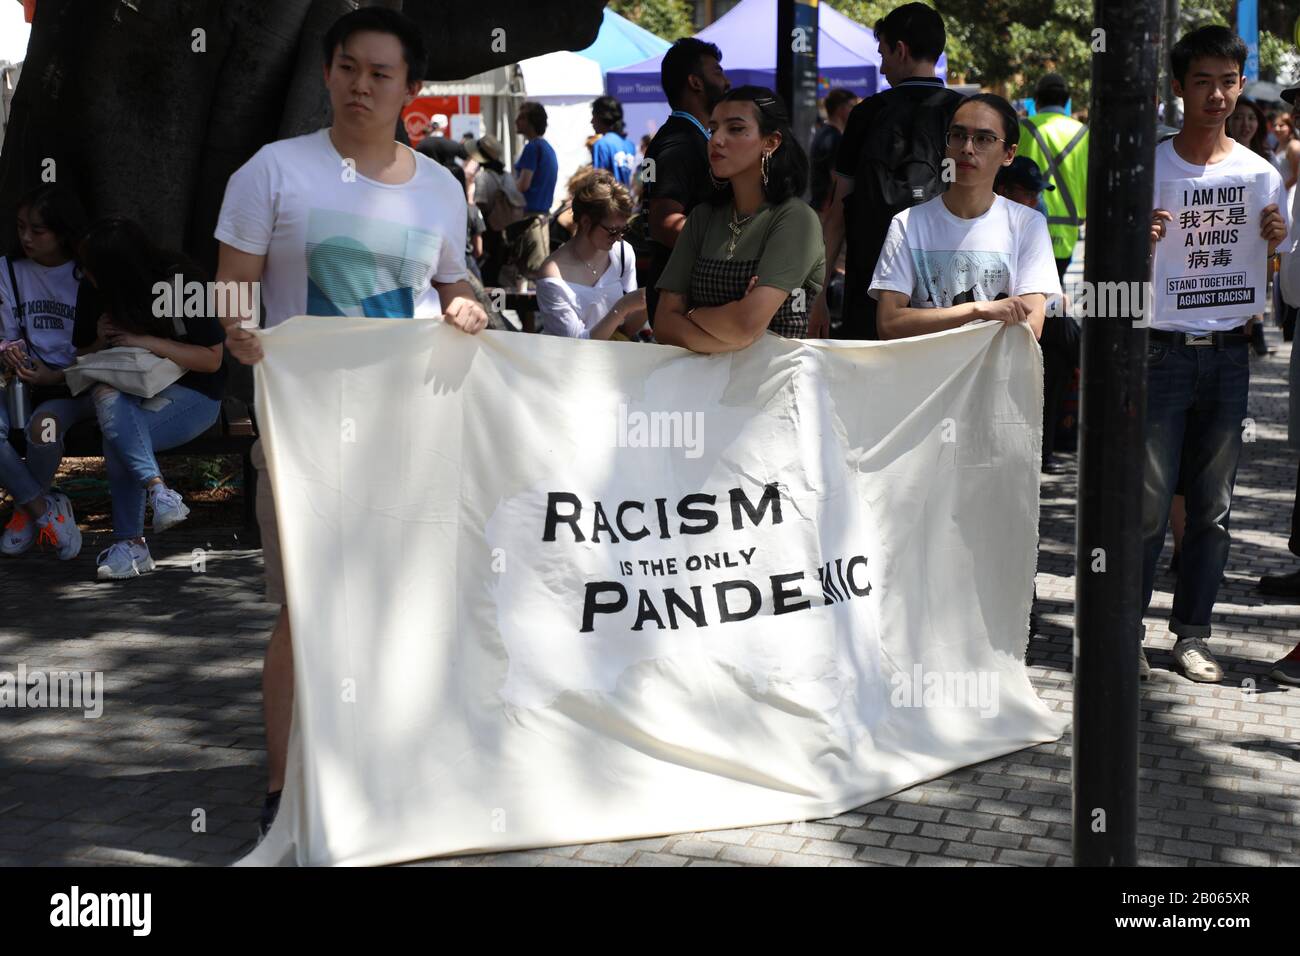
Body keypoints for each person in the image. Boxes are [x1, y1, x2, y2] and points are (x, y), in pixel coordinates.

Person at [212, 7, 489, 839]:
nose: (360, 85)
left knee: (403, 606)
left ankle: (388, 777)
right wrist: (238, 330)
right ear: (328, 73)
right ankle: (282, 793)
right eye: (346, 68)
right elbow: (233, 285)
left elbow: (454, 282)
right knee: (307, 612)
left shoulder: (440, 188)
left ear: (411, 87)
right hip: (301, 436)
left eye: (379, 73)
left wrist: (468, 305)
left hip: (409, 436)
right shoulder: (271, 171)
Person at [1143, 26, 1289, 682]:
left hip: (1230, 355)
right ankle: (1123, 631)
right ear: (1179, 87)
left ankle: (1191, 634)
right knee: (1145, 506)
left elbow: (1277, 278)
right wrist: (1134, 240)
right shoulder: (1149, 166)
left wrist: (1279, 242)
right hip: (1161, 351)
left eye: (1228, 81)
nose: (1217, 94)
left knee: (1214, 508)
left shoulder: (1260, 177)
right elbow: (1112, 275)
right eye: (1202, 80)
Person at [73, 218, 227, 580]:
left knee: (118, 437)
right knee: (111, 407)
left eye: (92, 270)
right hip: (129, 390)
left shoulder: (183, 282)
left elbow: (212, 359)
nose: (84, 276)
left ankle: (133, 545)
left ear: (118, 272)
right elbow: (81, 351)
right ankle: (159, 496)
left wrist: (147, 341)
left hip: (195, 393)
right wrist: (99, 338)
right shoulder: (95, 286)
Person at [811, 2, 965, 340]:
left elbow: (837, 210)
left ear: (901, 50)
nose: (881, 69)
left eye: (883, 55)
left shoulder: (866, 115)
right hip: (949, 292)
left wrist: (818, 293)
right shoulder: (964, 114)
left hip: (872, 286)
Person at [869, 94, 1059, 342]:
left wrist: (933, 322)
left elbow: (1030, 327)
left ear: (1009, 154)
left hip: (999, 380)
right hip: (928, 380)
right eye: (958, 136)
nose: (967, 148)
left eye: (984, 139)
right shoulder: (907, 224)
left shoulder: (1027, 225)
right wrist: (976, 309)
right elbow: (888, 324)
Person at [654, 87, 824, 351]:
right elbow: (663, 322)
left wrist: (692, 313)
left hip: (776, 383)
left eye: (734, 129)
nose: (717, 140)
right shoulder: (702, 217)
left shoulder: (795, 218)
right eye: (712, 129)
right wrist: (730, 336)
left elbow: (745, 325)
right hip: (706, 386)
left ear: (771, 142)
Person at [0, 184, 93, 561]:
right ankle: (41, 510)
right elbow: (5, 334)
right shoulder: (8, 269)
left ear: (63, 232)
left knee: (45, 428)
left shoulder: (86, 274)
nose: (26, 237)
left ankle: (24, 511)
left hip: (72, 384)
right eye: (21, 226)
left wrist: (57, 376)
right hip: (19, 382)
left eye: (38, 231)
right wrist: (9, 355)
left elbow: (103, 346)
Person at [992, 156, 1077, 472]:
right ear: (1002, 189)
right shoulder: (987, 220)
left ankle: (1047, 443)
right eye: (1025, 193)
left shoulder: (1034, 221)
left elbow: (1042, 281)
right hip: (996, 313)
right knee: (1061, 336)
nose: (1034, 200)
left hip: (1032, 310)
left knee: (1062, 341)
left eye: (1037, 193)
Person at [641, 37, 730, 326]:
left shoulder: (695, 139)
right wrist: (729, 251)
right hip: (683, 303)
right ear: (695, 82)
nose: (726, 81)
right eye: (717, 72)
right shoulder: (678, 144)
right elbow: (663, 223)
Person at [536, 168, 646, 340]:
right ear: (586, 222)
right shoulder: (552, 274)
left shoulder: (623, 253)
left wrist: (652, 300)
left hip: (616, 361)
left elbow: (627, 329)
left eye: (624, 229)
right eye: (612, 231)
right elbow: (577, 345)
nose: (618, 238)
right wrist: (622, 307)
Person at [1017, 74, 1089, 281]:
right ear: (1066, 102)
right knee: (1054, 289)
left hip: (1026, 223)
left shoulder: (1024, 128)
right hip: (1067, 230)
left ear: (1037, 101)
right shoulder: (1083, 133)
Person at [1226, 96, 1278, 356]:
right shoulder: (1216, 160)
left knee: (1256, 286)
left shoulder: (1267, 159)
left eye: (1250, 118)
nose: (1245, 124)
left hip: (1258, 240)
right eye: (1237, 117)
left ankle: (1254, 331)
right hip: (1227, 238)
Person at [809, 88, 858, 213]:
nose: (856, 110)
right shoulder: (834, 138)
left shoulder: (825, 133)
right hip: (827, 208)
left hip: (820, 205)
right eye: (852, 106)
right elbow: (835, 178)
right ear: (840, 109)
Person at [590, 95, 637, 189]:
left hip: (610, 201)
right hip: (628, 201)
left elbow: (599, 185)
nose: (591, 121)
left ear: (602, 117)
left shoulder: (601, 145)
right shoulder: (630, 145)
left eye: (594, 116)